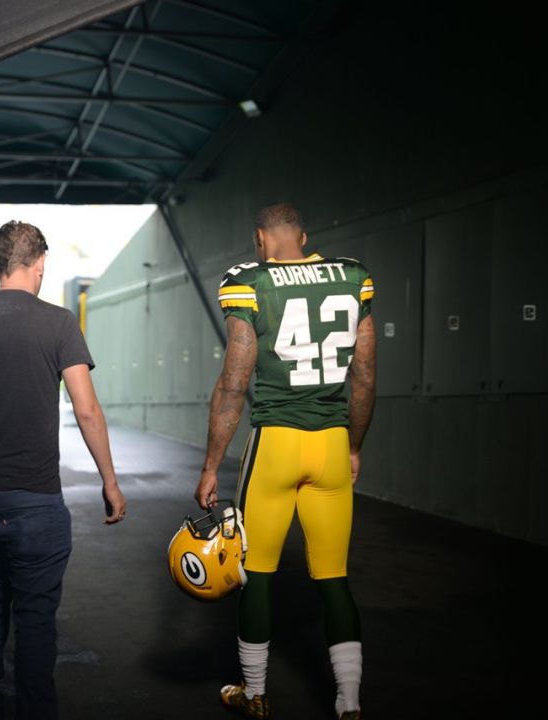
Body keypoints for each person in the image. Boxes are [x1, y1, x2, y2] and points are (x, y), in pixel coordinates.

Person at [0, 220, 127, 720]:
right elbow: (87, 410)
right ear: (40, 265)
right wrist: (110, 482)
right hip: (35, 501)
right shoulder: (58, 324)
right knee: (35, 618)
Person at [195, 203, 376, 720]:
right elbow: (364, 376)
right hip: (330, 445)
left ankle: (254, 693)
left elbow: (235, 380)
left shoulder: (250, 282)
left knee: (256, 572)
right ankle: (350, 700)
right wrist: (354, 444)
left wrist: (211, 464)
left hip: (277, 442)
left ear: (261, 238)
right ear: (304, 235)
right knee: (334, 578)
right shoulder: (352, 276)